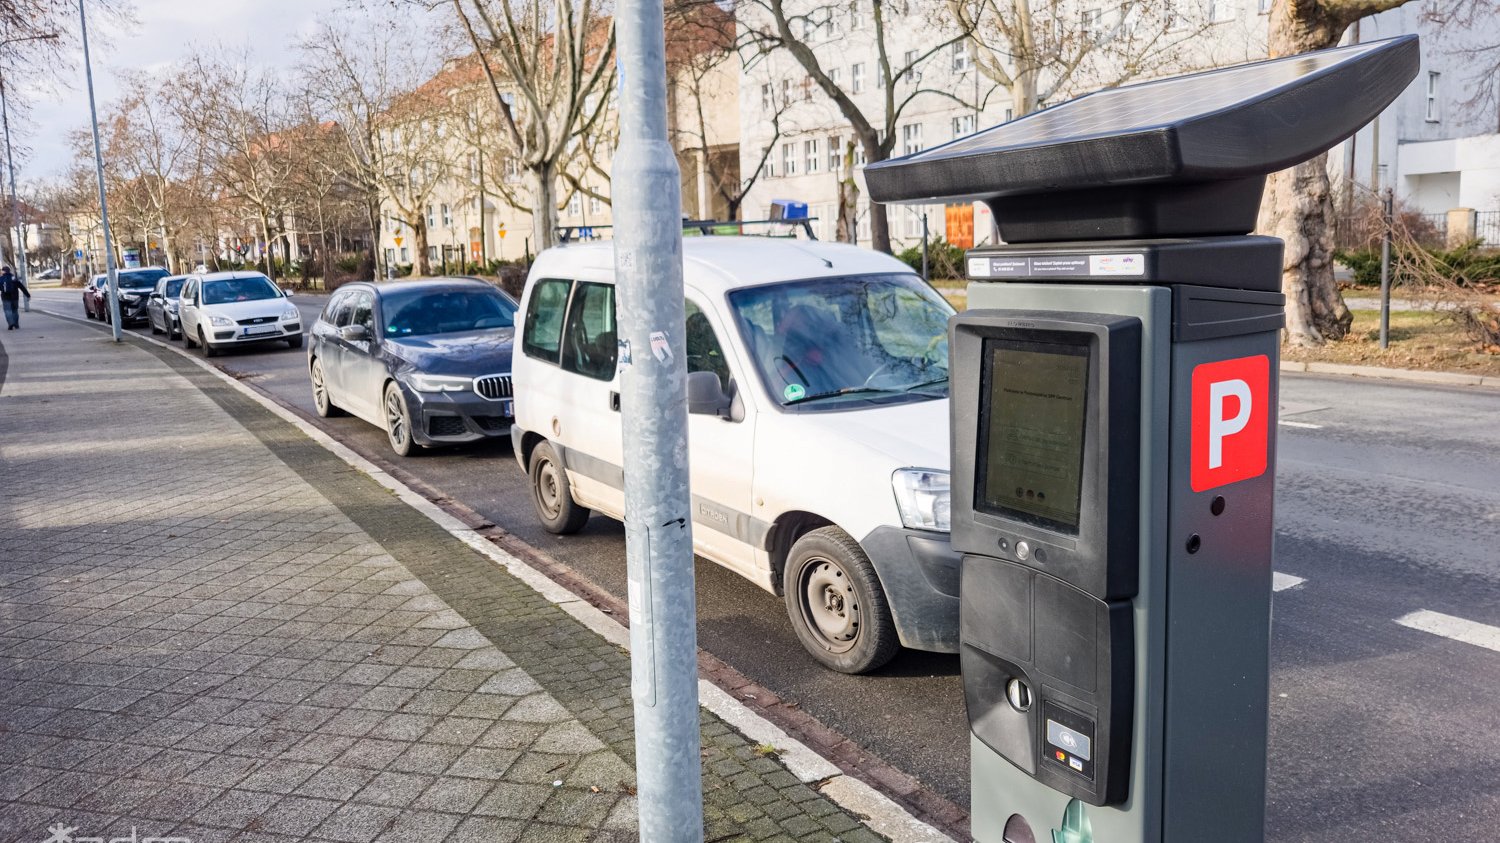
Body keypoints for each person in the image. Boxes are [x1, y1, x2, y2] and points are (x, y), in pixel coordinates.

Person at [0, 265, 31, 330]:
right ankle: (16, 324)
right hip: (15, 297)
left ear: (3, 271)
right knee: (15, 310)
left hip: (5, 297)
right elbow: (21, 287)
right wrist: (27, 295)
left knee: (7, 311)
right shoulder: (14, 278)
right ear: (9, 271)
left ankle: (10, 324)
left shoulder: (1, 279)